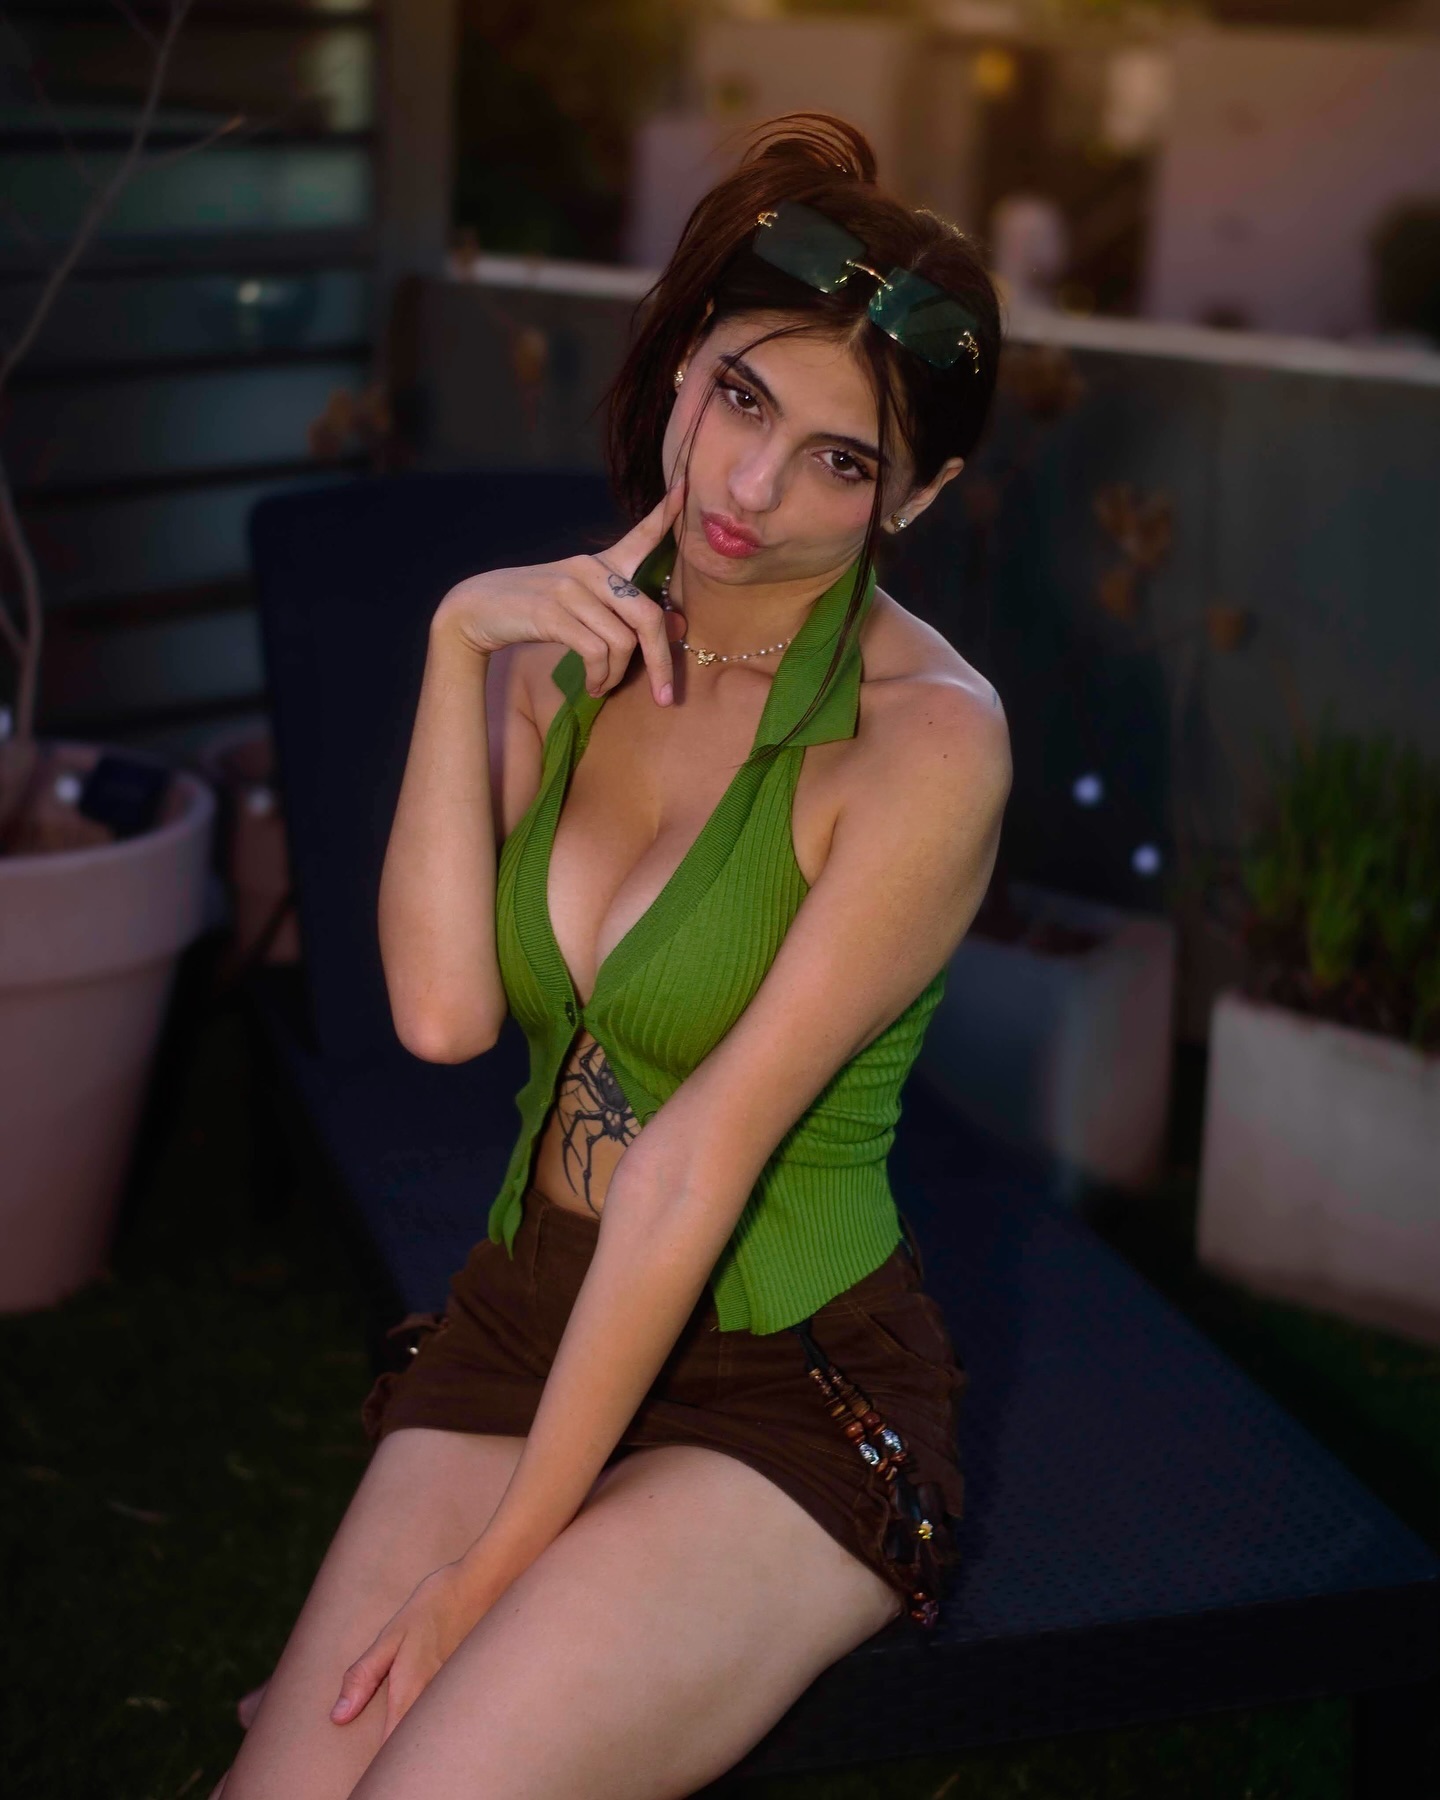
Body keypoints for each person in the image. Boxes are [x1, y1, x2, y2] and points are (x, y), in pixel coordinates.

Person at [216, 111, 1010, 1800]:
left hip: (786, 1381)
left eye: (842, 459)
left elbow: (695, 1163)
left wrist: (487, 1576)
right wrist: (459, 647)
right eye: (742, 398)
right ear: (685, 357)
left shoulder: (927, 743)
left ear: (919, 494)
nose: (750, 489)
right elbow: (441, 1014)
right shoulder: (558, 653)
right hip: (533, 1310)